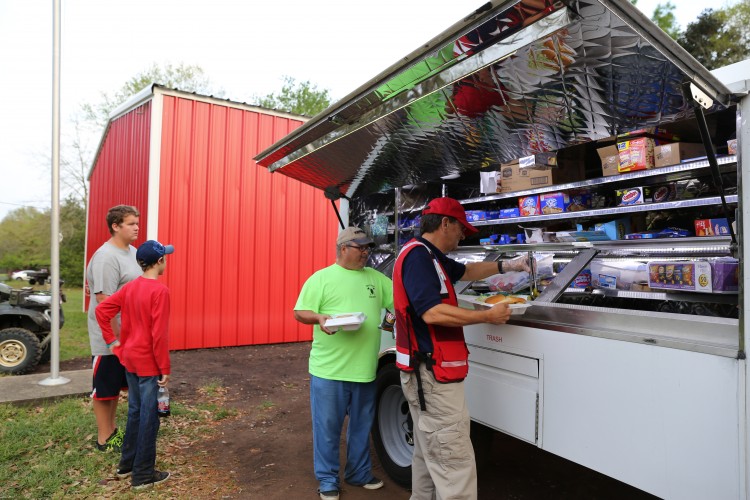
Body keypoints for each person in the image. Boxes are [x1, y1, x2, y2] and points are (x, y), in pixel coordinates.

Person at [392, 197, 530, 500]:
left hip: (425, 375)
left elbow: (466, 271)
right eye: (460, 229)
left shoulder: (430, 255)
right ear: (445, 223)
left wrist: (509, 265)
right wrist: (486, 316)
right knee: (454, 464)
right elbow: (431, 312)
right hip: (432, 377)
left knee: (428, 457)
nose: (462, 235)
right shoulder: (419, 258)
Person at [294, 226, 394, 500]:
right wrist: (319, 319)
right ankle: (327, 480)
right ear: (342, 249)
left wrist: (393, 322)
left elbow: (398, 304)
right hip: (329, 371)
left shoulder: (376, 279)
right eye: (360, 248)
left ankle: (358, 473)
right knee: (327, 429)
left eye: (367, 248)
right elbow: (300, 312)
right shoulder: (321, 279)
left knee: (362, 427)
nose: (365, 253)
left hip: (364, 369)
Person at [96, 239, 174, 491]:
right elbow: (158, 335)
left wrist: (113, 342)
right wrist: (164, 368)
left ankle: (126, 465)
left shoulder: (130, 287)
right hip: (149, 363)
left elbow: (102, 310)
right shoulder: (160, 291)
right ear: (159, 261)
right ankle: (142, 475)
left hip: (129, 359)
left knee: (135, 412)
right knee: (149, 417)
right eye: (165, 257)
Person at [86, 205, 142, 452]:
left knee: (117, 387)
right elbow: (104, 302)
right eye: (131, 223)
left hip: (128, 334)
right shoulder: (106, 257)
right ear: (115, 226)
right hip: (109, 336)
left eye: (137, 223)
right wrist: (117, 341)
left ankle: (112, 431)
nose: (136, 227)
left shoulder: (133, 252)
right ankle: (103, 439)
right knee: (105, 388)